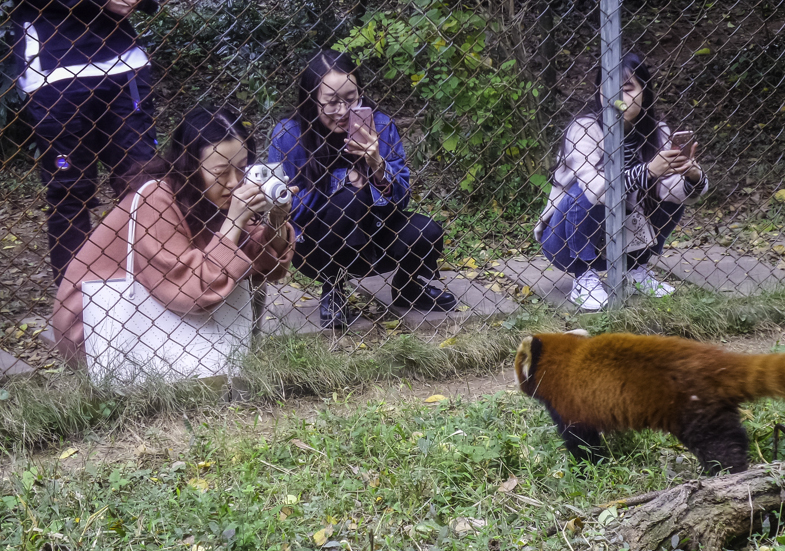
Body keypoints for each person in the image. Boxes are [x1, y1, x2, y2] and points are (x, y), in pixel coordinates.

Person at [52, 105, 295, 367]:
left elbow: (262, 263)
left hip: (156, 315)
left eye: (241, 168)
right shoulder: (156, 198)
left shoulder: (213, 198)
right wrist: (235, 221)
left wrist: (276, 220)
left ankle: (236, 361)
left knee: (244, 272)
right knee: (228, 267)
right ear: (189, 165)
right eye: (221, 171)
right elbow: (189, 291)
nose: (234, 182)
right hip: (94, 325)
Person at [270, 49, 458, 329]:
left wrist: (377, 164)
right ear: (311, 99)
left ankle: (407, 287)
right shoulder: (288, 134)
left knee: (427, 232)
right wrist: (342, 181)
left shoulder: (380, 125)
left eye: (351, 98)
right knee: (350, 197)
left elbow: (403, 197)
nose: (344, 111)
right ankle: (333, 288)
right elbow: (283, 208)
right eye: (331, 102)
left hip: (375, 235)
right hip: (317, 245)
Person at [534, 52, 708, 310]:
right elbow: (595, 191)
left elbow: (669, 192)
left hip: (625, 238)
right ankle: (584, 275)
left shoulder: (657, 131)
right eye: (609, 90)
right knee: (586, 190)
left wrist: (691, 176)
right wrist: (648, 170)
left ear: (645, 93)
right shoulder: (584, 129)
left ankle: (637, 267)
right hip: (564, 243)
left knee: (673, 195)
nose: (618, 98)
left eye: (627, 89)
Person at [12, 0, 160, 286]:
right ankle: (76, 305)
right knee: (70, 192)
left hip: (123, 58)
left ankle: (153, 287)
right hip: (53, 65)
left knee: (145, 181)